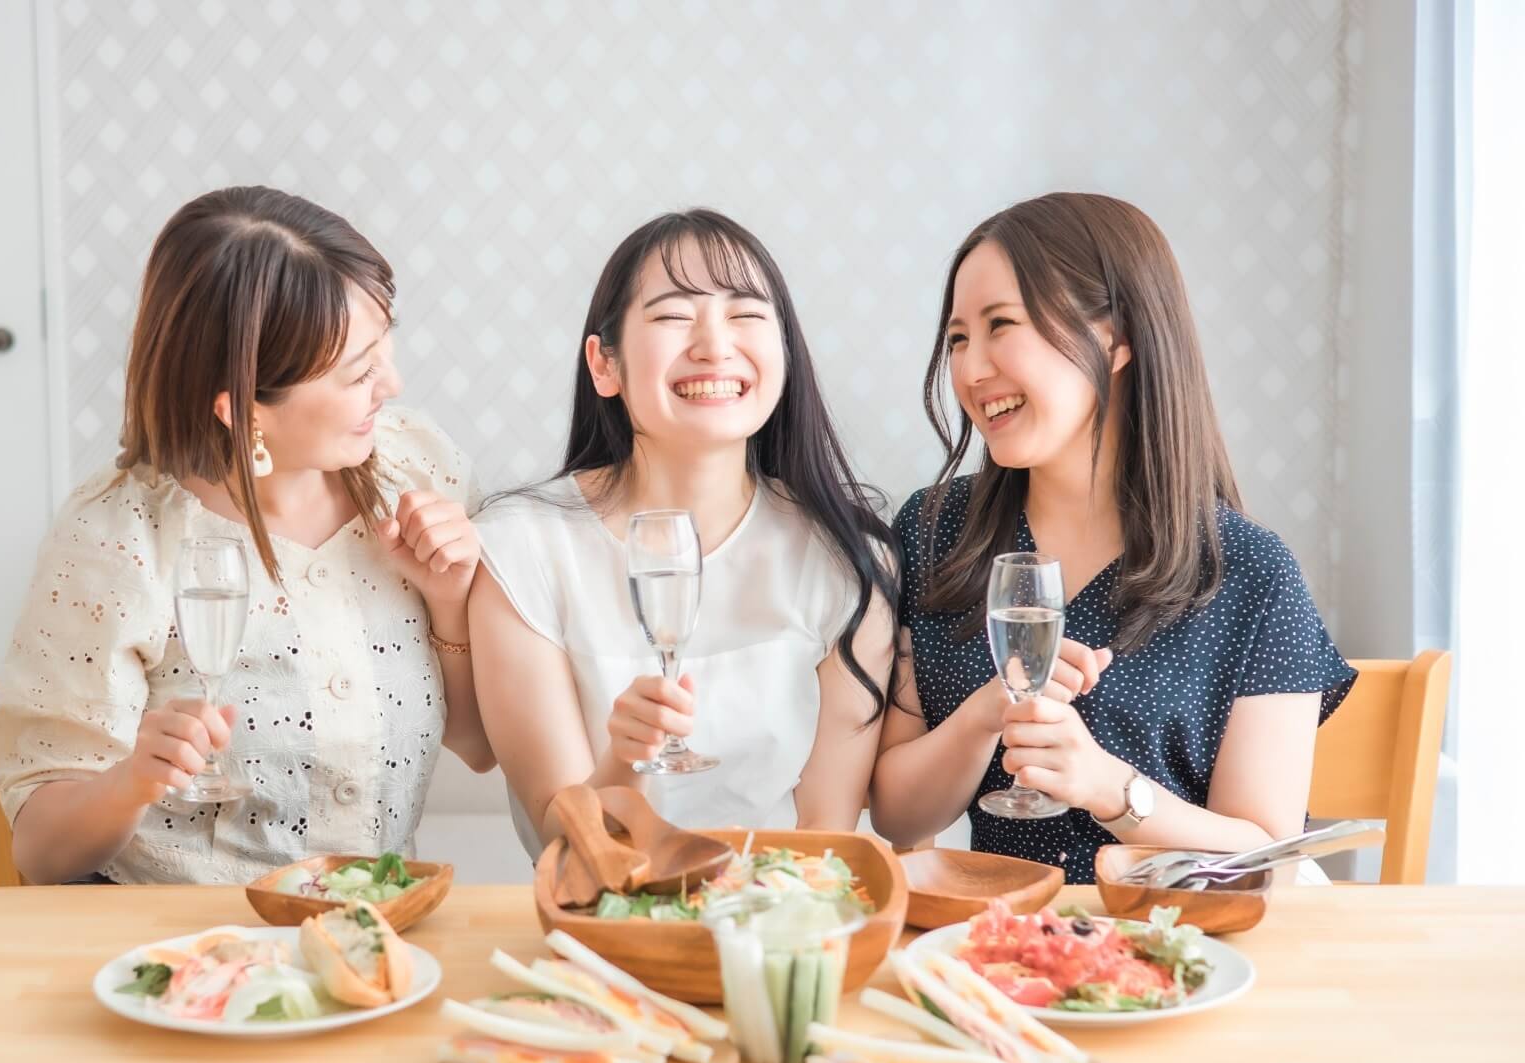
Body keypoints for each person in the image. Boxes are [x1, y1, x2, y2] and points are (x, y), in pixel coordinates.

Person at [0, 186, 492, 885]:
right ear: (240, 406)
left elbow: (480, 744)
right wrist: (133, 780)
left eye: (385, 348)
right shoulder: (118, 537)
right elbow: (40, 857)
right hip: (183, 956)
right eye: (359, 372)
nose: (393, 384)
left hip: (371, 938)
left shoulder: (420, 472)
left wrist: (452, 599)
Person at [870, 192, 1353, 884]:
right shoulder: (933, 531)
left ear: (1116, 337)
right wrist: (985, 716)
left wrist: (1111, 789)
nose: (971, 371)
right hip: (1005, 951)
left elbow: (1267, 858)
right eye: (956, 339)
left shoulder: (1250, 573)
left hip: (1181, 956)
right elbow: (896, 815)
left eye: (1001, 325)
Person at [469, 209, 899, 857]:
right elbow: (564, 838)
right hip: (597, 932)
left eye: (747, 315)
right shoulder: (519, 549)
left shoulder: (849, 558)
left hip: (778, 929)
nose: (714, 344)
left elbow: (826, 838)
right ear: (604, 365)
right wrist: (625, 759)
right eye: (673, 317)